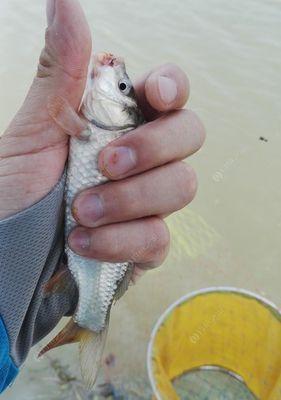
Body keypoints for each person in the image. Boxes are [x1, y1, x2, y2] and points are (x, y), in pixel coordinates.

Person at [0, 0, 205, 393]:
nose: (113, 76)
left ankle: (90, 317)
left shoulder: (94, 125)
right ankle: (91, 318)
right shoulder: (91, 125)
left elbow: (63, 112)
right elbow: (60, 110)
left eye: (121, 85)